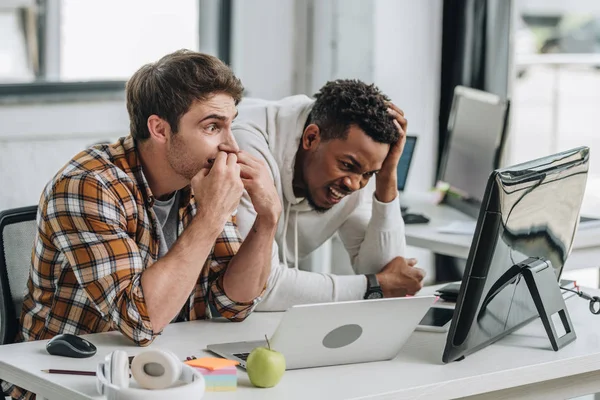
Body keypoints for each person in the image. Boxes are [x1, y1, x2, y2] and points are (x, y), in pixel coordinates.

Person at [5, 50, 280, 399]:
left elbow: (233, 303)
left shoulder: (200, 178)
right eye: (213, 127)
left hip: (160, 376)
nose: (231, 146)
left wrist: (268, 219)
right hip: (67, 386)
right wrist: (211, 215)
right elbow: (140, 321)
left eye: (230, 125)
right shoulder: (88, 185)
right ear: (160, 128)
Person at [233, 79, 425, 311]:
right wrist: (375, 287)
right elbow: (258, 290)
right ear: (311, 138)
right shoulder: (245, 146)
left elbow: (387, 273)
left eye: (369, 174)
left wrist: (386, 179)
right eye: (346, 165)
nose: (354, 185)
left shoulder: (356, 168)